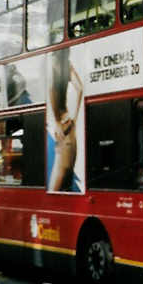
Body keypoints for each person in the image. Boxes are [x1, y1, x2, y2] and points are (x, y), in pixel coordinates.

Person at [47, 48, 83, 192]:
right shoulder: (66, 65)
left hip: (61, 127)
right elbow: (79, 88)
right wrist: (73, 117)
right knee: (66, 182)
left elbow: (50, 90)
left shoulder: (51, 66)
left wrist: (56, 123)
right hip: (69, 128)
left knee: (55, 187)